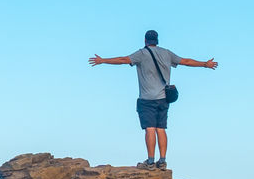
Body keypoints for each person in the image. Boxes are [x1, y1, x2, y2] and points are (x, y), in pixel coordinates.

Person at [87, 30, 219, 169]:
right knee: (161, 129)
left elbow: (123, 60)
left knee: (150, 129)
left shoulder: (142, 54)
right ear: (157, 41)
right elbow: (185, 61)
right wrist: (205, 64)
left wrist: (102, 61)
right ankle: (162, 162)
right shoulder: (167, 53)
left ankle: (150, 162)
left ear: (145, 40)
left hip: (147, 99)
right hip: (163, 98)